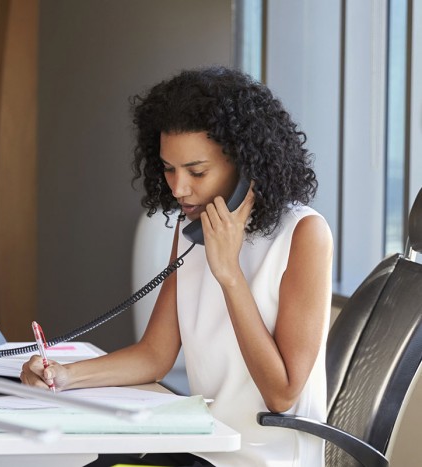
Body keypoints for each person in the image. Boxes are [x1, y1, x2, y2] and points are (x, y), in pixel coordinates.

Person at [20, 66, 333, 467]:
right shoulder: (193, 229)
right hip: (200, 445)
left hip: (260, 459)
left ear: (246, 166)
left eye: (197, 171)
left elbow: (283, 394)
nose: (178, 188)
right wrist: (65, 376)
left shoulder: (304, 234)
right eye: (169, 168)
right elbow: (155, 355)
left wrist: (229, 274)